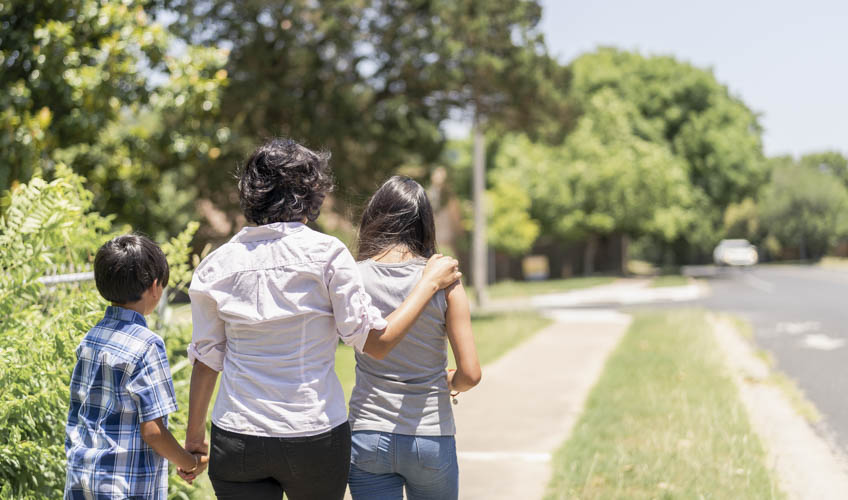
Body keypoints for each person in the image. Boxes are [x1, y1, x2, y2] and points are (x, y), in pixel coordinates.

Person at [182, 139, 461, 500]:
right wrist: (427, 284)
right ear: (312, 194)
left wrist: (194, 439)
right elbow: (376, 343)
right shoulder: (327, 254)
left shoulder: (215, 265)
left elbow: (206, 360)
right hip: (313, 434)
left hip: (237, 435)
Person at [347, 176, 481, 500]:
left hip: (367, 433)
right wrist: (451, 383)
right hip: (430, 436)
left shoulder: (354, 276)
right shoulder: (446, 281)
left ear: (374, 218)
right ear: (425, 223)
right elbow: (471, 374)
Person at [64, 234, 207, 500]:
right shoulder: (147, 345)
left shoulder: (91, 338)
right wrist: (189, 463)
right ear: (155, 287)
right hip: (125, 488)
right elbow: (153, 431)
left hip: (82, 481)